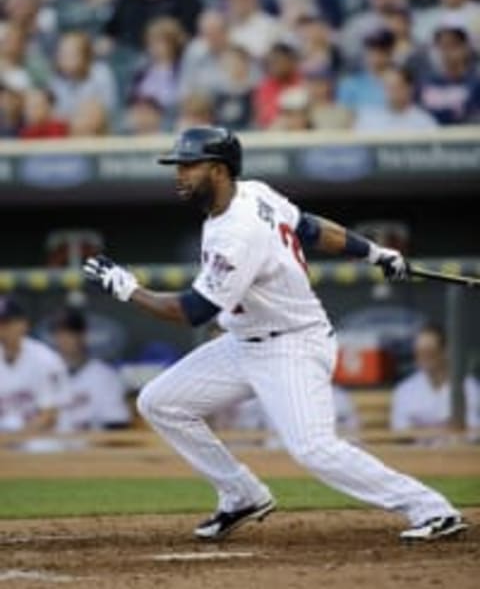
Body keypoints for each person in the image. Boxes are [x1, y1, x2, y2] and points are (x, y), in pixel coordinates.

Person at [84, 125, 466, 543]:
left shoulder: (236, 232)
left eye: (189, 166)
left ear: (218, 170)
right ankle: (241, 494)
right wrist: (373, 251)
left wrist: (128, 289)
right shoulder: (255, 193)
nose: (179, 174)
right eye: (179, 166)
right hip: (244, 342)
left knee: (313, 448)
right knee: (159, 403)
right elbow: (309, 228)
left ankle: (433, 510)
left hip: (292, 344)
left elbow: (193, 311)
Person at [51, 308, 130, 432]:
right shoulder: (45, 374)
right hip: (48, 447)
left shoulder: (105, 376)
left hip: (92, 447)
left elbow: (117, 423)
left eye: (70, 333)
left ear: (82, 335)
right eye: (59, 333)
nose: (63, 339)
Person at [391, 324, 480, 432]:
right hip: (416, 449)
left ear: (445, 352)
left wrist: (422, 429)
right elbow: (400, 431)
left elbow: (474, 431)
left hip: (457, 448)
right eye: (419, 352)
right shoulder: (405, 390)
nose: (423, 358)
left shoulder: (468, 386)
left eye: (430, 352)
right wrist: (444, 428)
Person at [0, 296, 69, 433]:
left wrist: (15, 438)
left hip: (40, 438)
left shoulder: (46, 359)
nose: (2, 329)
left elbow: (50, 415)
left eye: (6, 323)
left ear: (23, 324)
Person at [355, 66, 438, 133]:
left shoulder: (424, 121)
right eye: (387, 87)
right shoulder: (368, 118)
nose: (392, 92)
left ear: (409, 88)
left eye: (396, 86)